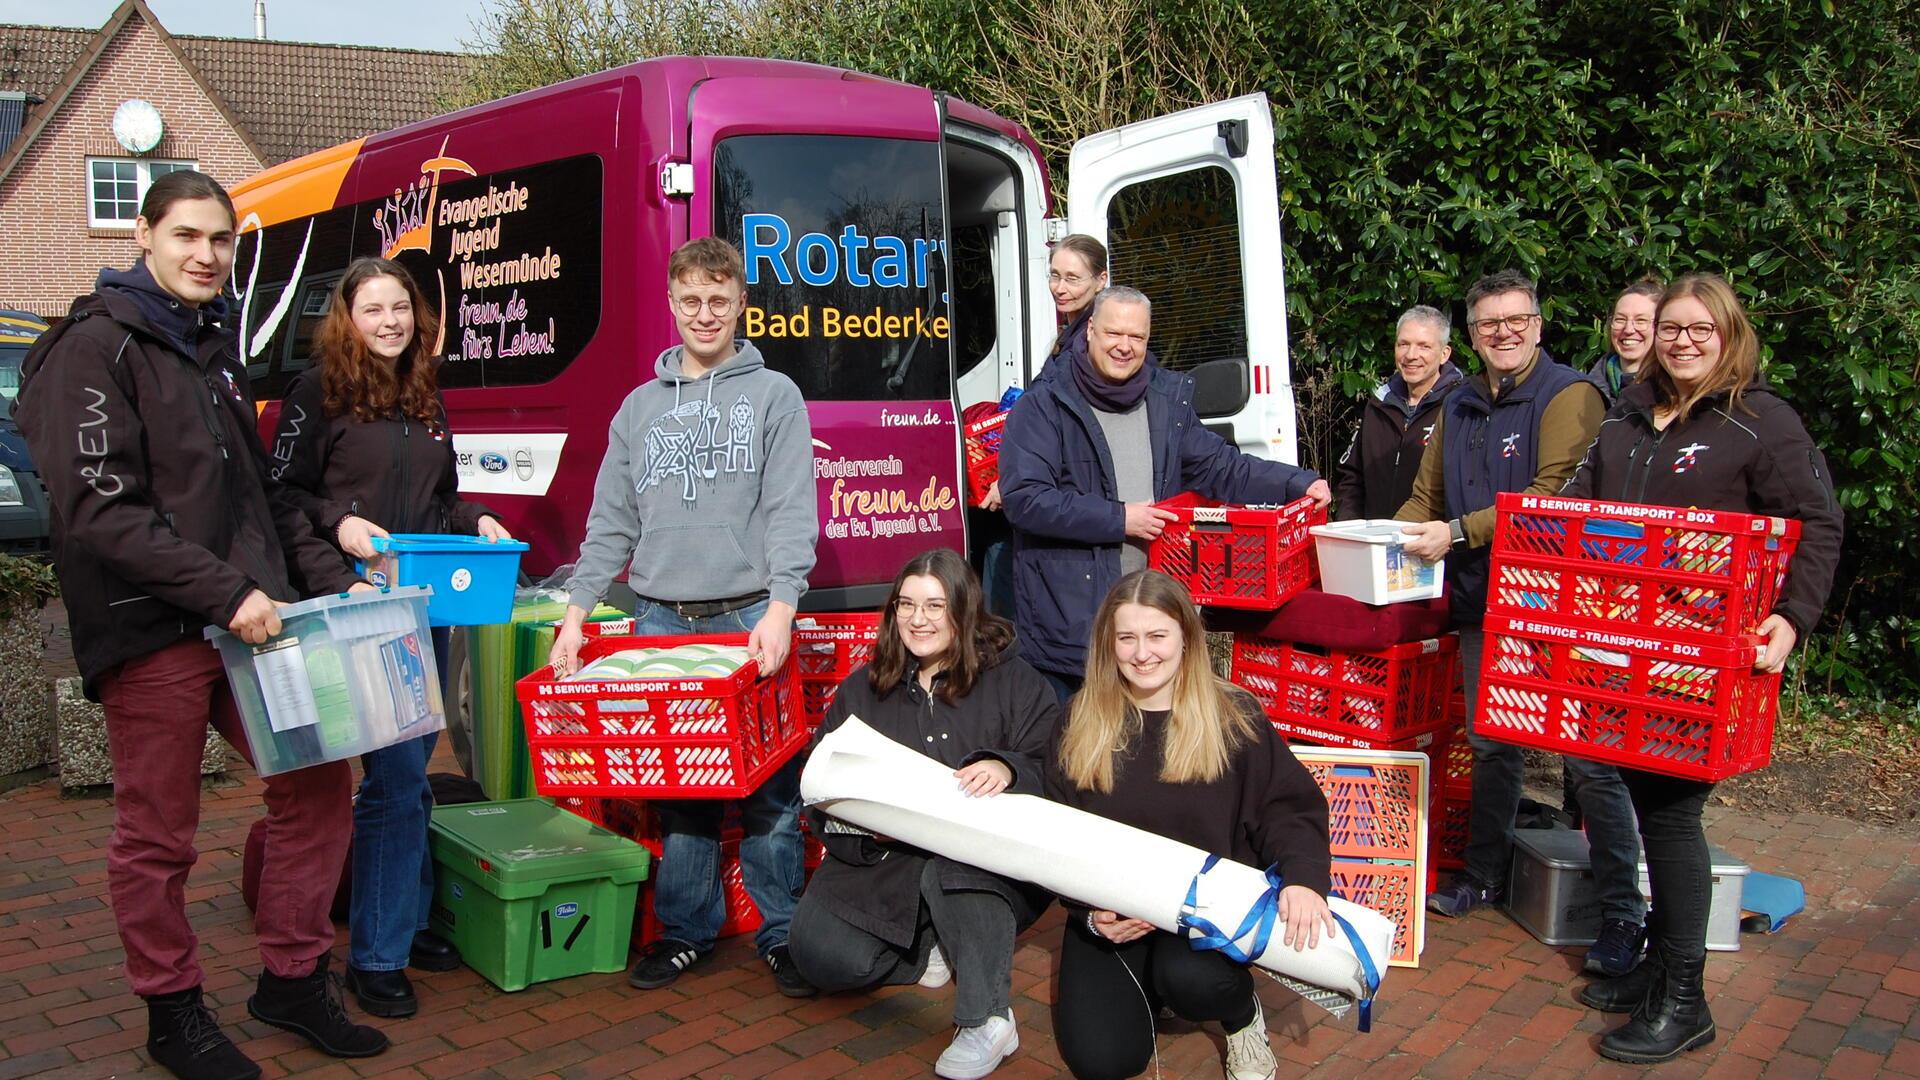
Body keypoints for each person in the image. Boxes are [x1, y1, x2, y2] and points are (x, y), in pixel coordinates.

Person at [14, 171, 388, 1080]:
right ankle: (172, 1011)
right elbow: (103, 512)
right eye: (186, 236)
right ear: (144, 235)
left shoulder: (214, 348)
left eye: (221, 240)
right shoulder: (93, 349)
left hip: (252, 627)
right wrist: (226, 593)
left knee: (316, 787)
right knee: (158, 833)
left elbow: (260, 496)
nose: (206, 256)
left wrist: (327, 582)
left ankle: (292, 978)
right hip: (154, 630)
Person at [1562, 274, 1840, 1063]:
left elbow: (1819, 520)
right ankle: (1657, 963)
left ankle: (1685, 1001)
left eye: (1699, 330)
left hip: (1703, 656)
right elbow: (1581, 504)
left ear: (1728, 335)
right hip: (1622, 649)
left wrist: (1793, 616)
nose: (1683, 341)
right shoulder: (1626, 414)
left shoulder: (1759, 422)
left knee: (1673, 811)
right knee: (1641, 801)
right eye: (1672, 328)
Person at [550, 235, 819, 998]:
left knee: (769, 784)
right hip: (661, 622)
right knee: (679, 785)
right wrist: (575, 613)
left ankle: (781, 930)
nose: (705, 314)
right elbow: (611, 523)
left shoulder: (775, 398)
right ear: (671, 305)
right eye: (690, 300)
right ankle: (685, 931)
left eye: (719, 299)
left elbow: (793, 510)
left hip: (745, 619)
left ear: (740, 303)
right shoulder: (639, 409)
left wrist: (782, 603)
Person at [269, 256, 514, 1018]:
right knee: (392, 782)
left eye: (400, 308)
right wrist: (338, 539)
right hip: (349, 610)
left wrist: (473, 520)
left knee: (407, 775)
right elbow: (280, 497)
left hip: (418, 607)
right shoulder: (318, 393)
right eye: (373, 309)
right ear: (348, 317)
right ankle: (376, 955)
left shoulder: (422, 392)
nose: (390, 322)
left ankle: (404, 922)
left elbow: (437, 498)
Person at [1394, 270, 1649, 977]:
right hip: (1483, 603)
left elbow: (1551, 498)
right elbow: (1425, 497)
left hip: (1559, 606)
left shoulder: (1570, 395)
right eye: (1488, 324)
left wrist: (1456, 533)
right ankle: (1485, 874)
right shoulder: (1461, 403)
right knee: (1492, 743)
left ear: (1538, 324)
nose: (1503, 333)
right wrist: (1372, 541)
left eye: (1516, 320)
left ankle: (1624, 912)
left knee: (1587, 756)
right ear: (1470, 336)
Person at [1046, 570, 1334, 1080]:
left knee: (1194, 979)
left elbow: (1287, 807)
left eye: (1157, 635)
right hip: (1112, 915)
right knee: (1103, 1062)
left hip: (1203, 916)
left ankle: (1241, 1018)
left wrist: (1304, 878)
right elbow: (1052, 833)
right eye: (1127, 638)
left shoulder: (1232, 716)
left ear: (1186, 637)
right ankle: (1148, 992)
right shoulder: (1080, 720)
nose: (1142, 653)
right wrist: (1088, 914)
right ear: (1108, 645)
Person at [790, 548, 1058, 1079]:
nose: (918, 619)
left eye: (935, 605)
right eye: (906, 605)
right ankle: (929, 942)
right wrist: (863, 828)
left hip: (984, 864)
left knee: (954, 873)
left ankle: (987, 1020)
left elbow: (1058, 763)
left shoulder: (1014, 680)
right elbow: (819, 791)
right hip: (887, 861)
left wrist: (1008, 769)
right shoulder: (863, 690)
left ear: (964, 610)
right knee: (819, 955)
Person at [999, 286, 1330, 701]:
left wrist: (1297, 483)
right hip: (1076, 626)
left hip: (1155, 620)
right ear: (1089, 333)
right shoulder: (1044, 405)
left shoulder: (1166, 401)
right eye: (1113, 334)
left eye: (1136, 337)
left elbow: (1221, 467)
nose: (1124, 347)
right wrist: (1120, 519)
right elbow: (1025, 499)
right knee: (1080, 757)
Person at [1332, 304, 1464, 520]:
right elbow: (1352, 478)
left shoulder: (1460, 408)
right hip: (1374, 542)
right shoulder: (1378, 405)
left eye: (1424, 346)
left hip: (1432, 545)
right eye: (1403, 344)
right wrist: (1350, 527)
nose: (1411, 355)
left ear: (1444, 354)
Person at [1588, 278, 1664, 406]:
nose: (1628, 329)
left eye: (1641, 321)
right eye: (1620, 320)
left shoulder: (1673, 393)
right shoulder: (1585, 390)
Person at [1044, 234, 1110, 371]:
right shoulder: (1072, 334)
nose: (1059, 289)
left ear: (1101, 280)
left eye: (1072, 279)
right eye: (1055, 276)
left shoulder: (1093, 342)